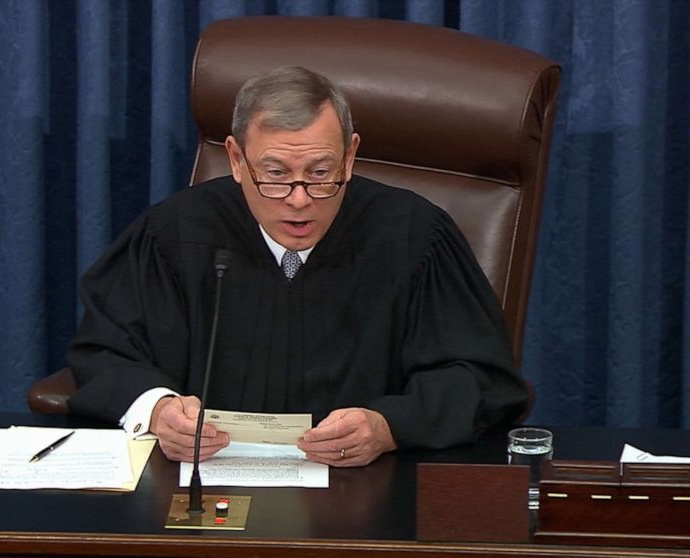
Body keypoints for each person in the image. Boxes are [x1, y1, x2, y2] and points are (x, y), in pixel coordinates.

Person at [67, 66, 527, 467]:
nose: (299, 200)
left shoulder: (415, 237)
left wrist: (391, 426)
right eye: (276, 174)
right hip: (201, 484)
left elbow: (481, 379)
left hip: (368, 489)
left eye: (321, 173)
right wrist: (158, 409)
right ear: (236, 159)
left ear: (349, 155)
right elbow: (106, 351)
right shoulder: (175, 232)